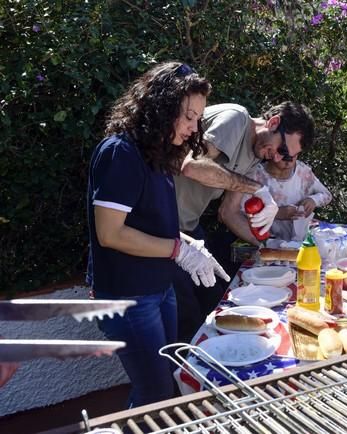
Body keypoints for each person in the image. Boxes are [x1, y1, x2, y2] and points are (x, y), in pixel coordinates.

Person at [87, 61, 229, 407]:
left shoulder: (156, 154)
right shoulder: (121, 152)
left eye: (198, 118)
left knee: (167, 382)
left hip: (158, 288)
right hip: (128, 297)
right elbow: (110, 233)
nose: (194, 127)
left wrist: (187, 242)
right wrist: (178, 250)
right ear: (162, 107)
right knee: (156, 394)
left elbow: (147, 220)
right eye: (189, 116)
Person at [173, 102, 315, 340]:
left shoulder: (255, 155)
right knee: (187, 318)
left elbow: (228, 212)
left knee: (216, 303)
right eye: (282, 149)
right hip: (160, 228)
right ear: (273, 122)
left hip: (188, 229)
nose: (279, 158)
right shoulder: (236, 118)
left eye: (286, 156)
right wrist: (258, 189)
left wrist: (269, 246)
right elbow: (192, 166)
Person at [220, 156, 332, 245]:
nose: (288, 163)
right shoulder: (255, 175)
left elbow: (327, 195)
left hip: (301, 242)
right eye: (284, 155)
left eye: (294, 156)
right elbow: (238, 213)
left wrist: (313, 200)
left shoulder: (302, 171)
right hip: (267, 242)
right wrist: (277, 213)